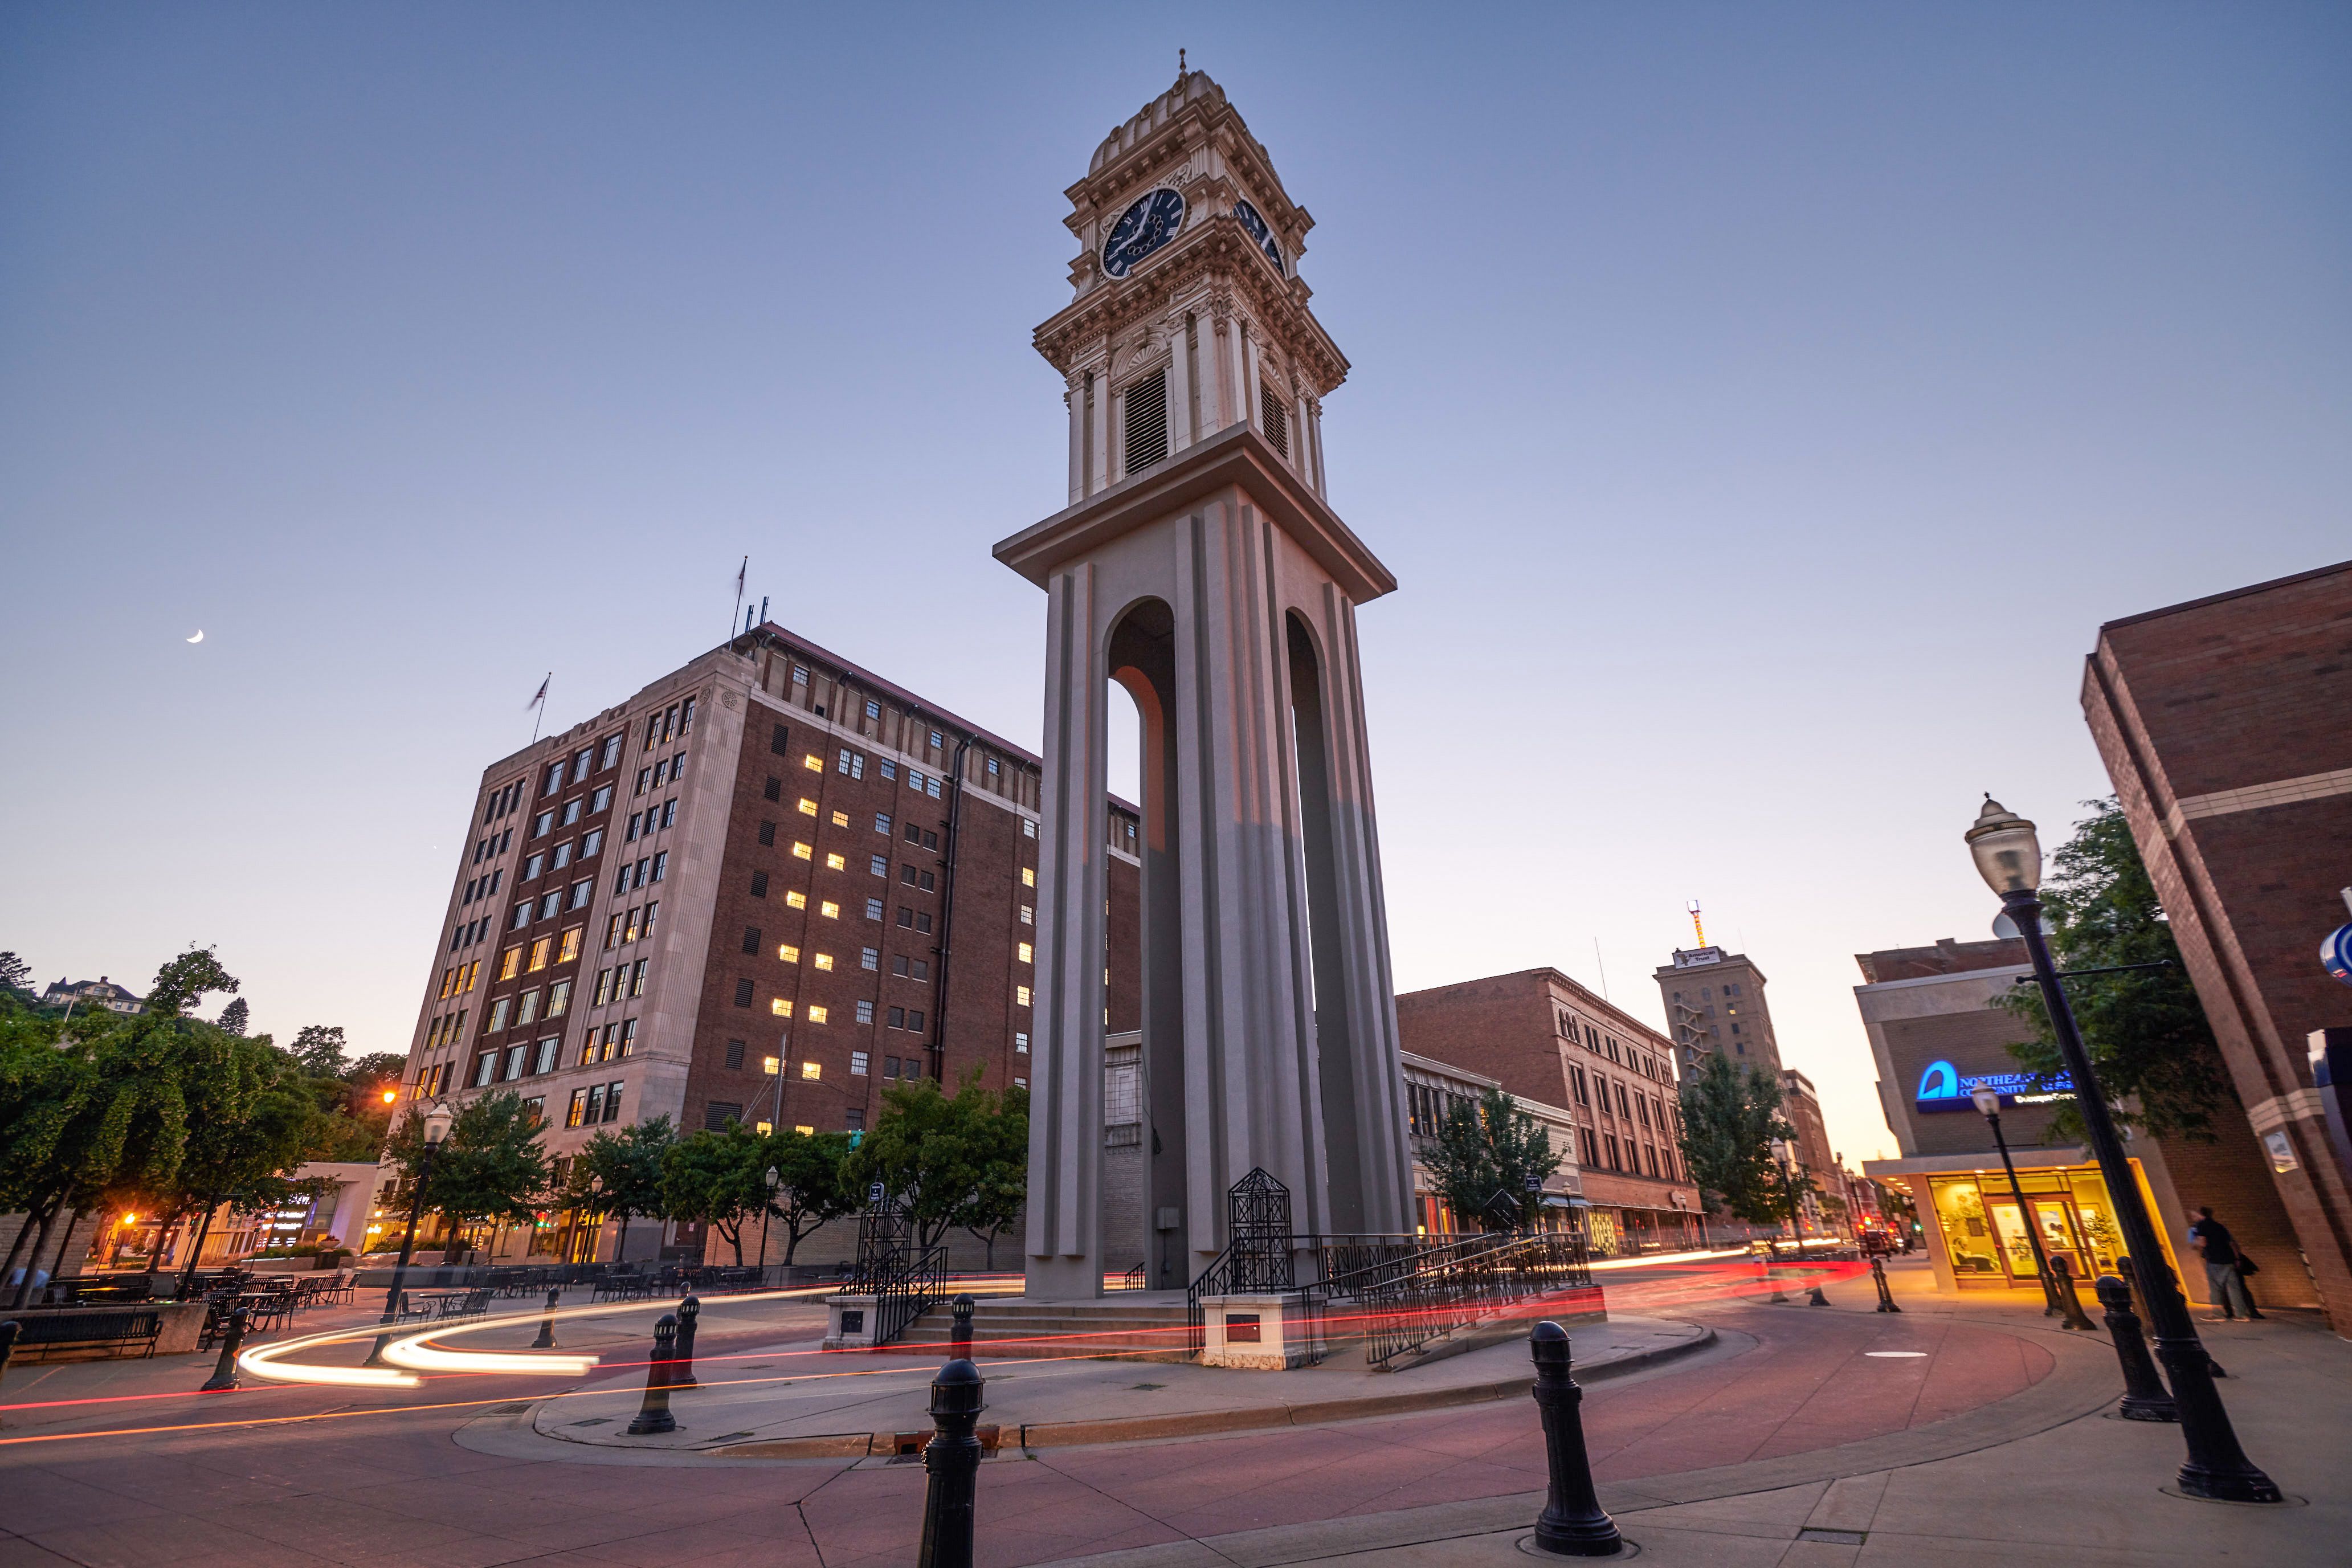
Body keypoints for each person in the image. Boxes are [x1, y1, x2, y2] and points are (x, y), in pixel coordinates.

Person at [2186, 1206, 2263, 1321]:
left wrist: (2193, 1241)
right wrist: (2237, 1259)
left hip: (2215, 1261)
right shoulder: (2220, 1226)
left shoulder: (2201, 1226)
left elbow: (2202, 1243)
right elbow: (2232, 1244)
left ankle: (2218, 1315)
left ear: (2200, 1215)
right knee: (2234, 1289)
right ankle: (2241, 1315)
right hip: (2229, 1260)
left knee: (2216, 1289)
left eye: (2194, 1216)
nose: (2193, 1218)